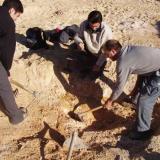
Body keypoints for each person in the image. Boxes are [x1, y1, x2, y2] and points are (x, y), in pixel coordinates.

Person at [103, 40, 160, 140]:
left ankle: (143, 131)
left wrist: (110, 101)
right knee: (141, 89)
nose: (106, 57)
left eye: (106, 54)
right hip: (153, 68)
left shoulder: (123, 62)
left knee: (145, 101)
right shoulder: (128, 50)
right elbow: (141, 70)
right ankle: (134, 102)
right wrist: (135, 91)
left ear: (113, 51)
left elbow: (119, 86)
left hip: (157, 72)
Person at [0, 0, 27, 124]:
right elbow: (7, 50)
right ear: (11, 10)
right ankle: (16, 117)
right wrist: (7, 70)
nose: (16, 19)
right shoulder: (8, 21)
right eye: (17, 16)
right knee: (4, 85)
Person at [74, 10, 113, 79]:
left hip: (100, 55)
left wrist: (98, 64)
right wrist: (79, 42)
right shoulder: (84, 24)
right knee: (79, 65)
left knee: (93, 76)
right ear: (88, 21)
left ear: (100, 23)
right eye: (91, 26)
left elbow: (106, 51)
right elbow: (77, 36)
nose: (93, 28)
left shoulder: (107, 31)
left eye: (96, 26)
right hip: (88, 50)